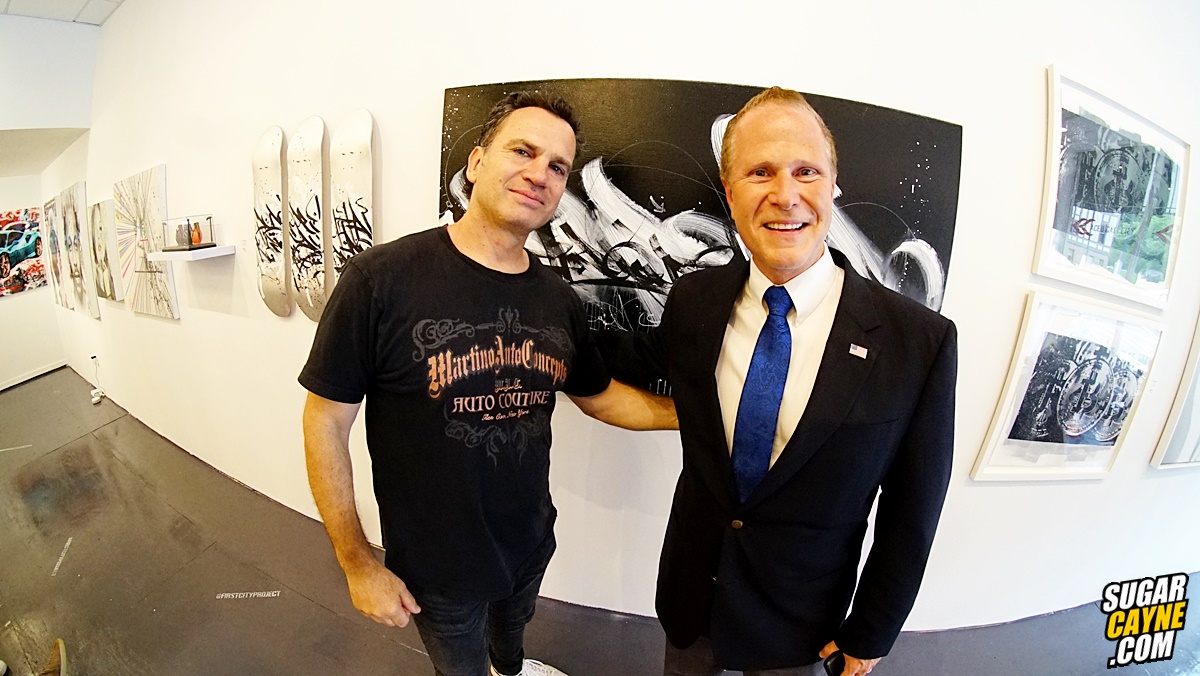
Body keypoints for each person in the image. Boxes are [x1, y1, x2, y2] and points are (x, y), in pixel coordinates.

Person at [300, 92, 676, 676]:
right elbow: (326, 420)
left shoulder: (557, 298)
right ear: (476, 163)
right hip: (436, 566)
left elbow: (600, 397)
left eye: (557, 166)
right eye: (522, 151)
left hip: (529, 541)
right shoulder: (381, 279)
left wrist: (703, 416)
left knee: (511, 640)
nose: (539, 174)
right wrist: (356, 563)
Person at [601, 87, 957, 676]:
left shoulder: (918, 342)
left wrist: (872, 630)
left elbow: (912, 512)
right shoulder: (694, 300)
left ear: (833, 185)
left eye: (806, 171)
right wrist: (531, 319)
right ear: (730, 192)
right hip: (692, 597)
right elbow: (631, 357)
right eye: (759, 172)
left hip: (802, 624)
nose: (785, 195)